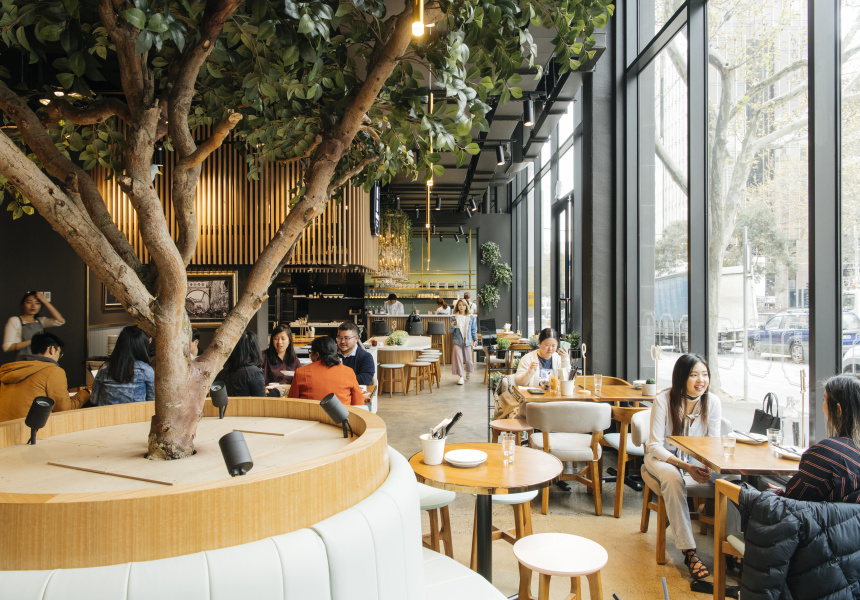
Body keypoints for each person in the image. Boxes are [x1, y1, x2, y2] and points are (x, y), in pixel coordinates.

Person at [644, 353, 721, 581]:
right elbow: (654, 445)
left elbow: (713, 443)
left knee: (731, 479)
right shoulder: (664, 400)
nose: (701, 380)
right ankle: (689, 552)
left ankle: (733, 547)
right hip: (662, 458)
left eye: (704, 374)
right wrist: (685, 466)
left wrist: (707, 466)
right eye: (694, 375)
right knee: (673, 478)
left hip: (696, 460)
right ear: (681, 377)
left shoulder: (712, 402)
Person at [780, 374, 860, 502]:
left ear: (838, 410)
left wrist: (776, 493)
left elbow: (791, 502)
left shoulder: (829, 452)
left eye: (824, 399)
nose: (822, 404)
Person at [0, 332, 89, 421]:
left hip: (4, 426)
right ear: (52, 349)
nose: (59, 357)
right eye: (60, 353)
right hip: (31, 428)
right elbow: (64, 409)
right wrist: (85, 393)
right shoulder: (53, 371)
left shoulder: (12, 371)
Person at [288, 336, 365, 406]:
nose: (310, 355)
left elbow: (291, 403)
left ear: (317, 355)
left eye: (311, 352)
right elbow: (359, 402)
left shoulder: (301, 372)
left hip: (310, 416)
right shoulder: (348, 371)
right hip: (340, 416)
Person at [90, 326, 155, 406]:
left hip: (107, 414)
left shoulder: (104, 368)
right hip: (136, 413)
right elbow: (151, 401)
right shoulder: (146, 370)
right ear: (142, 347)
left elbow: (93, 399)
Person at [3, 291, 66, 358]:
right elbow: (7, 347)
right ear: (22, 305)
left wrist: (45, 302)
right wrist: (33, 341)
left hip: (41, 360)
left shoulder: (41, 321)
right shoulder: (15, 320)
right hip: (24, 361)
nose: (33, 306)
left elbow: (60, 321)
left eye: (37, 303)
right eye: (29, 302)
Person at [215, 331, 266, 397]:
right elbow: (261, 401)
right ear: (254, 349)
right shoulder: (254, 373)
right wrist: (276, 392)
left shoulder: (222, 372)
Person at [450, 298, 477, 385]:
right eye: (460, 305)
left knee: (468, 359)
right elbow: (451, 331)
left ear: (466, 306)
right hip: (457, 341)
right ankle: (461, 376)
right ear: (457, 306)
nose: (462, 307)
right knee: (458, 359)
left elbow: (473, 330)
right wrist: (452, 326)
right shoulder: (454, 317)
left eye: (463, 305)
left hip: (468, 341)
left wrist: (475, 339)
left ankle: (468, 371)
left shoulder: (471, 317)